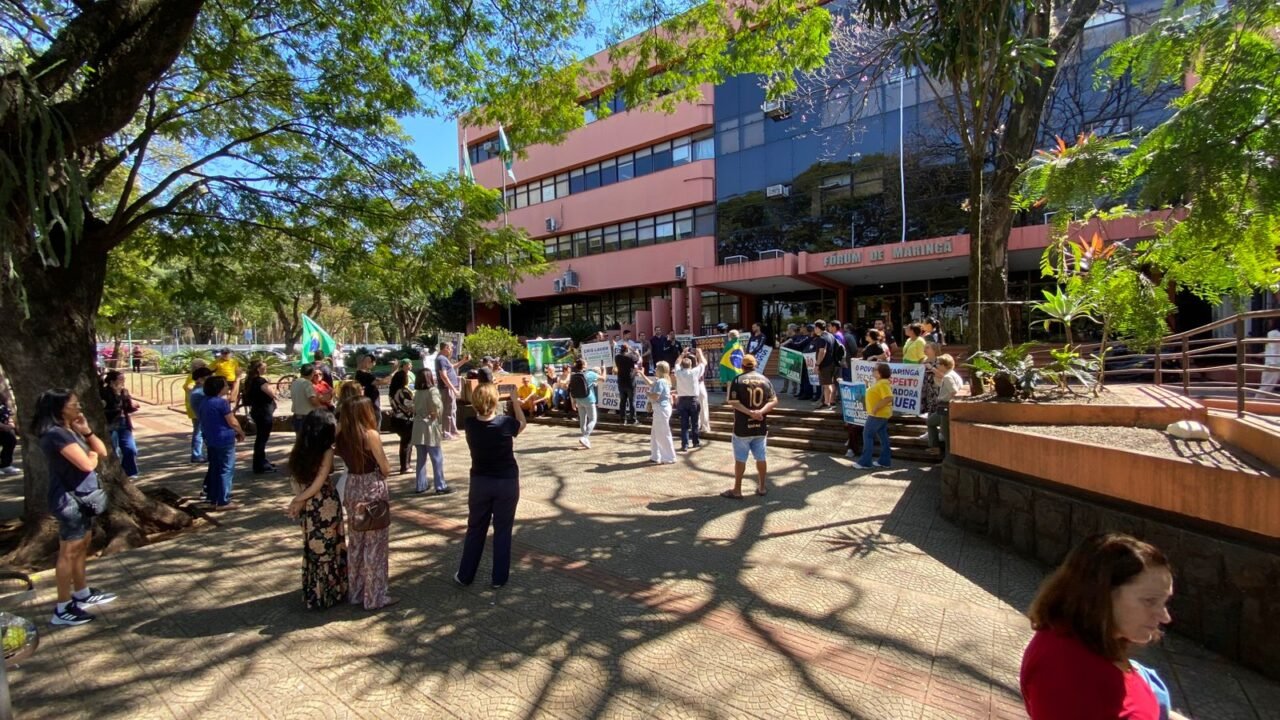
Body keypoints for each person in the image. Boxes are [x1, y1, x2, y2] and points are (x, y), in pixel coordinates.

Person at [1021, 534, 1188, 720]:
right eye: (1150, 601)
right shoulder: (1065, 671)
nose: (1165, 617)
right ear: (1100, 595)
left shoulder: (1101, 642)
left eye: (1165, 602)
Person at [33, 389, 117, 626]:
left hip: (85, 498)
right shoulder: (55, 435)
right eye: (74, 404)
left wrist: (86, 431)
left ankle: (82, 592)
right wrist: (92, 456)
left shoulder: (70, 430)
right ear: (59, 408)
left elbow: (102, 451)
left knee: (82, 546)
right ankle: (62, 607)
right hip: (69, 500)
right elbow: (87, 464)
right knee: (68, 552)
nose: (79, 407)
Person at [455, 382, 526, 589]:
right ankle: (499, 578)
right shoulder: (505, 423)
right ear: (495, 401)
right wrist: (514, 401)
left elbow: (483, 416)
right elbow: (522, 423)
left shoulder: (470, 424)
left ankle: (465, 575)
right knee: (503, 530)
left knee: (475, 528)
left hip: (480, 482)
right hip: (506, 482)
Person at [283, 409, 349, 609]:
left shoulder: (301, 449)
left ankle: (314, 591)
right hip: (324, 503)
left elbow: (297, 479)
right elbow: (319, 482)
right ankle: (329, 592)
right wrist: (298, 500)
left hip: (309, 505)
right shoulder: (326, 451)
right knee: (328, 547)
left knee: (314, 545)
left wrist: (299, 500)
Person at [335, 398, 395, 609]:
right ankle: (375, 596)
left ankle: (357, 591)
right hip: (370, 486)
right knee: (375, 544)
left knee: (357, 542)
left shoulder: (341, 434)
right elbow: (385, 468)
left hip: (352, 485)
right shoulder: (370, 435)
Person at [721, 354, 778, 498]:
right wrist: (760, 412)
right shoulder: (765, 380)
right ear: (755, 365)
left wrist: (750, 412)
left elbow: (733, 402)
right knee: (761, 457)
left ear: (742, 366)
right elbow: (774, 400)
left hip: (742, 427)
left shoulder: (738, 380)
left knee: (740, 459)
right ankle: (762, 487)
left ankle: (737, 489)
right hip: (760, 426)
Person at [199, 375, 245, 510]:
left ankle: (213, 497)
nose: (227, 387)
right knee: (226, 469)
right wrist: (240, 431)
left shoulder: (204, 402)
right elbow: (232, 421)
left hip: (210, 439)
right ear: (218, 388)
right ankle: (223, 500)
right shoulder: (221, 403)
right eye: (225, 385)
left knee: (214, 468)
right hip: (224, 439)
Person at [411, 368, 451, 494]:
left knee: (421, 458)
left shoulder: (417, 392)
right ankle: (440, 485)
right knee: (436, 457)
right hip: (429, 426)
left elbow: (413, 407)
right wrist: (436, 413)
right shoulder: (432, 390)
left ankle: (420, 485)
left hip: (417, 426)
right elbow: (437, 405)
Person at [99, 371, 140, 478]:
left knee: (131, 449)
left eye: (124, 379)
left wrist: (132, 404)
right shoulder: (104, 392)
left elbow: (128, 408)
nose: (123, 381)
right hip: (110, 424)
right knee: (114, 451)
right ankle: (117, 474)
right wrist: (117, 397)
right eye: (120, 379)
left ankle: (129, 472)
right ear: (112, 382)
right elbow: (106, 408)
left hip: (124, 424)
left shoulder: (124, 392)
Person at [853, 362, 893, 470]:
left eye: (874, 369)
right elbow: (875, 395)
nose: (872, 371)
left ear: (880, 373)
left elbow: (889, 397)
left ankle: (865, 462)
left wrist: (876, 408)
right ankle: (884, 461)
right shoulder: (880, 383)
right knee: (883, 437)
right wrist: (867, 386)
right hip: (880, 415)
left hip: (877, 415)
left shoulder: (883, 383)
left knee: (867, 435)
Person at [244, 360, 278, 474]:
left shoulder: (250, 381)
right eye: (264, 367)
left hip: (257, 411)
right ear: (258, 369)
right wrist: (272, 386)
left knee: (261, 438)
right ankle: (259, 464)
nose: (266, 369)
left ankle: (261, 460)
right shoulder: (260, 381)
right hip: (264, 412)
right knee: (262, 438)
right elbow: (272, 394)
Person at [927, 354, 965, 455]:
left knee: (946, 433)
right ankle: (935, 447)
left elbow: (954, 391)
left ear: (944, 365)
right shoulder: (953, 374)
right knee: (930, 422)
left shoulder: (948, 377)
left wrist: (951, 404)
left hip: (946, 406)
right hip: (944, 407)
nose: (936, 365)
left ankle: (948, 456)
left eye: (938, 363)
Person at [673, 347, 705, 451]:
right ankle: (695, 442)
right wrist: (699, 354)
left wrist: (682, 354)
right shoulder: (694, 372)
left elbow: (676, 363)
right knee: (695, 423)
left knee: (684, 424)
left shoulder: (678, 372)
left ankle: (685, 445)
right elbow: (703, 363)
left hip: (682, 400)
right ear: (691, 365)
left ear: (682, 365)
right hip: (693, 400)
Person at [435, 342, 469, 439]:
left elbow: (452, 367)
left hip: (449, 388)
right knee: (448, 411)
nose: (451, 350)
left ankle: (453, 430)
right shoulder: (441, 359)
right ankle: (446, 433)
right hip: (446, 389)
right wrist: (453, 389)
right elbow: (443, 376)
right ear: (445, 348)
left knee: (452, 410)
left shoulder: (444, 359)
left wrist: (463, 361)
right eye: (450, 348)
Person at [387, 360, 415, 474]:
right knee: (407, 443)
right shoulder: (403, 391)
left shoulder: (392, 391)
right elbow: (410, 405)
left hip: (396, 418)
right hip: (405, 420)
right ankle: (405, 466)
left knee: (404, 442)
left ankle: (405, 465)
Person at [647, 361, 676, 464]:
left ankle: (669, 457)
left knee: (663, 434)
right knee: (655, 434)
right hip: (661, 408)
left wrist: (648, 394)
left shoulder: (661, 381)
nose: (655, 370)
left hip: (661, 409)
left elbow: (656, 396)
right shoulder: (663, 381)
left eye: (657, 368)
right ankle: (655, 456)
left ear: (660, 370)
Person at [568, 358, 600, 449]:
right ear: (584, 365)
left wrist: (573, 401)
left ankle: (585, 440)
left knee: (583, 420)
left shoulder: (573, 375)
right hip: (589, 399)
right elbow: (603, 378)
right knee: (593, 419)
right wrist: (603, 369)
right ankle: (585, 437)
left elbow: (571, 389)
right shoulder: (590, 374)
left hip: (579, 399)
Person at [183, 360, 209, 463]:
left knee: (201, 431)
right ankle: (196, 455)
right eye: (203, 366)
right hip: (196, 409)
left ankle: (202, 453)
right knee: (198, 432)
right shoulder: (193, 377)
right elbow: (188, 386)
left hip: (195, 408)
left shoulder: (193, 376)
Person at [354, 353, 390, 427]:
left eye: (369, 361)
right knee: (375, 420)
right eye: (365, 361)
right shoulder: (362, 374)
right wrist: (394, 371)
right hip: (369, 404)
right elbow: (382, 382)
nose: (367, 363)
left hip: (371, 403)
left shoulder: (368, 374)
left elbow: (383, 381)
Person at [290, 364, 324, 436]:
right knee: (308, 440)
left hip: (297, 416)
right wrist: (321, 408)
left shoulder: (294, 382)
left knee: (299, 440)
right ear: (312, 373)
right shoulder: (307, 383)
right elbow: (312, 399)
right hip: (307, 417)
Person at [813, 320, 838, 409]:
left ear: (818, 328)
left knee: (826, 385)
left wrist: (817, 364)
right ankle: (828, 402)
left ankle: (827, 403)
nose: (814, 330)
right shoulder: (830, 335)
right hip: (832, 363)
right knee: (829, 383)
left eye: (815, 328)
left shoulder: (822, 338)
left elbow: (822, 351)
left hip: (825, 364)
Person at [614, 342, 639, 424]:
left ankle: (622, 419)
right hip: (630, 381)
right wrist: (635, 352)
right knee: (632, 401)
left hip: (621, 381)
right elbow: (638, 359)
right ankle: (633, 419)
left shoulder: (617, 357)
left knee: (622, 401)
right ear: (627, 349)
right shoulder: (631, 356)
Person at [779, 324, 799, 395]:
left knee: (792, 373)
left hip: (793, 356)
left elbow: (790, 342)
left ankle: (794, 389)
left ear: (792, 329)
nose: (787, 330)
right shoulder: (787, 337)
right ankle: (785, 388)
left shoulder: (796, 337)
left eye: (788, 329)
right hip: (786, 356)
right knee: (785, 372)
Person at [0, 394, 17, 475]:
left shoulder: (3, 405)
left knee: (11, 439)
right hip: (2, 427)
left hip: (4, 429)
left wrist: (11, 424)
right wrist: (3, 426)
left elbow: (9, 416)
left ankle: (5, 465)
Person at [1262, 318, 1280, 395]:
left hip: (1273, 362)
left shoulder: (1272, 333)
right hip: (1274, 361)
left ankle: (1257, 400)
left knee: (1266, 386)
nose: (1269, 323)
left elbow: (1273, 348)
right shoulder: (1274, 333)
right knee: (1267, 386)